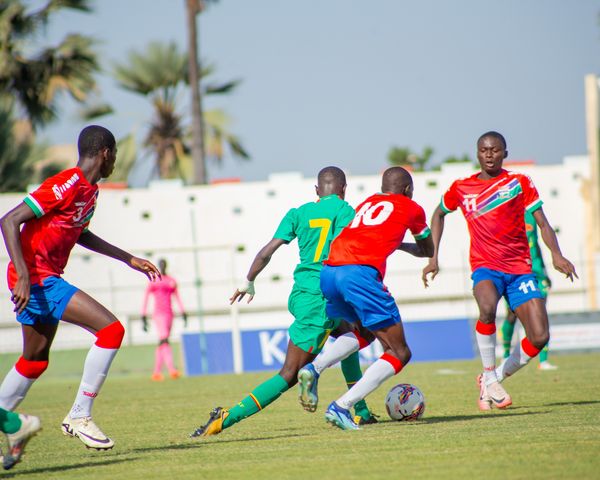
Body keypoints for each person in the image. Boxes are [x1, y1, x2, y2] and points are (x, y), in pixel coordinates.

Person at [0, 125, 161, 450]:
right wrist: (25, 275)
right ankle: (79, 415)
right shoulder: (67, 183)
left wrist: (127, 258)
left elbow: (79, 232)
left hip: (41, 278)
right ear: (106, 153)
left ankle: (8, 423)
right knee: (112, 330)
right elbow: (9, 220)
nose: (115, 161)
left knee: (35, 359)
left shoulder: (91, 191)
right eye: (114, 155)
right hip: (37, 279)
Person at [190, 166, 377, 438]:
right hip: (323, 297)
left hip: (304, 293)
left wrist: (249, 281)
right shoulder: (346, 210)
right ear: (343, 190)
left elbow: (268, 250)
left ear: (316, 191)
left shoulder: (298, 213)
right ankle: (225, 417)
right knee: (290, 373)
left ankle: (360, 410)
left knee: (353, 333)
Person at [422, 131, 576, 411]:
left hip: (520, 269)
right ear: (477, 153)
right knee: (487, 308)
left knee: (539, 337)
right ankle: (490, 374)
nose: (489, 154)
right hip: (485, 267)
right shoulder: (461, 187)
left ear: (505, 153)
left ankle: (491, 378)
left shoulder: (518, 182)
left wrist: (556, 254)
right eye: (484, 149)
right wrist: (433, 256)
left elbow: (542, 223)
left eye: (495, 149)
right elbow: (438, 213)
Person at [307, 166, 434, 430]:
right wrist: (399, 242)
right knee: (399, 352)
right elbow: (426, 249)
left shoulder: (368, 202)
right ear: (408, 189)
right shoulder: (412, 208)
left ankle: (314, 368)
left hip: (329, 272)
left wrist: (388, 239)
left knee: (365, 333)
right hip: (359, 274)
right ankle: (342, 406)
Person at [502, 210, 557, 370]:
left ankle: (544, 361)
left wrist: (545, 271)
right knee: (511, 317)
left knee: (541, 315)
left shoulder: (531, 214)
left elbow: (537, 244)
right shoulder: (504, 213)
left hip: (537, 272)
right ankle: (505, 355)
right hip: (516, 273)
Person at [141, 258, 187, 381]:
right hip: (158, 314)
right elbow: (146, 297)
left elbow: (177, 297)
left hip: (169, 314)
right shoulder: (154, 280)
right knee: (165, 339)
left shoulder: (171, 281)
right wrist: (143, 315)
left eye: (163, 264)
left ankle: (156, 372)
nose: (162, 266)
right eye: (160, 264)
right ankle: (172, 370)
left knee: (163, 341)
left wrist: (183, 312)